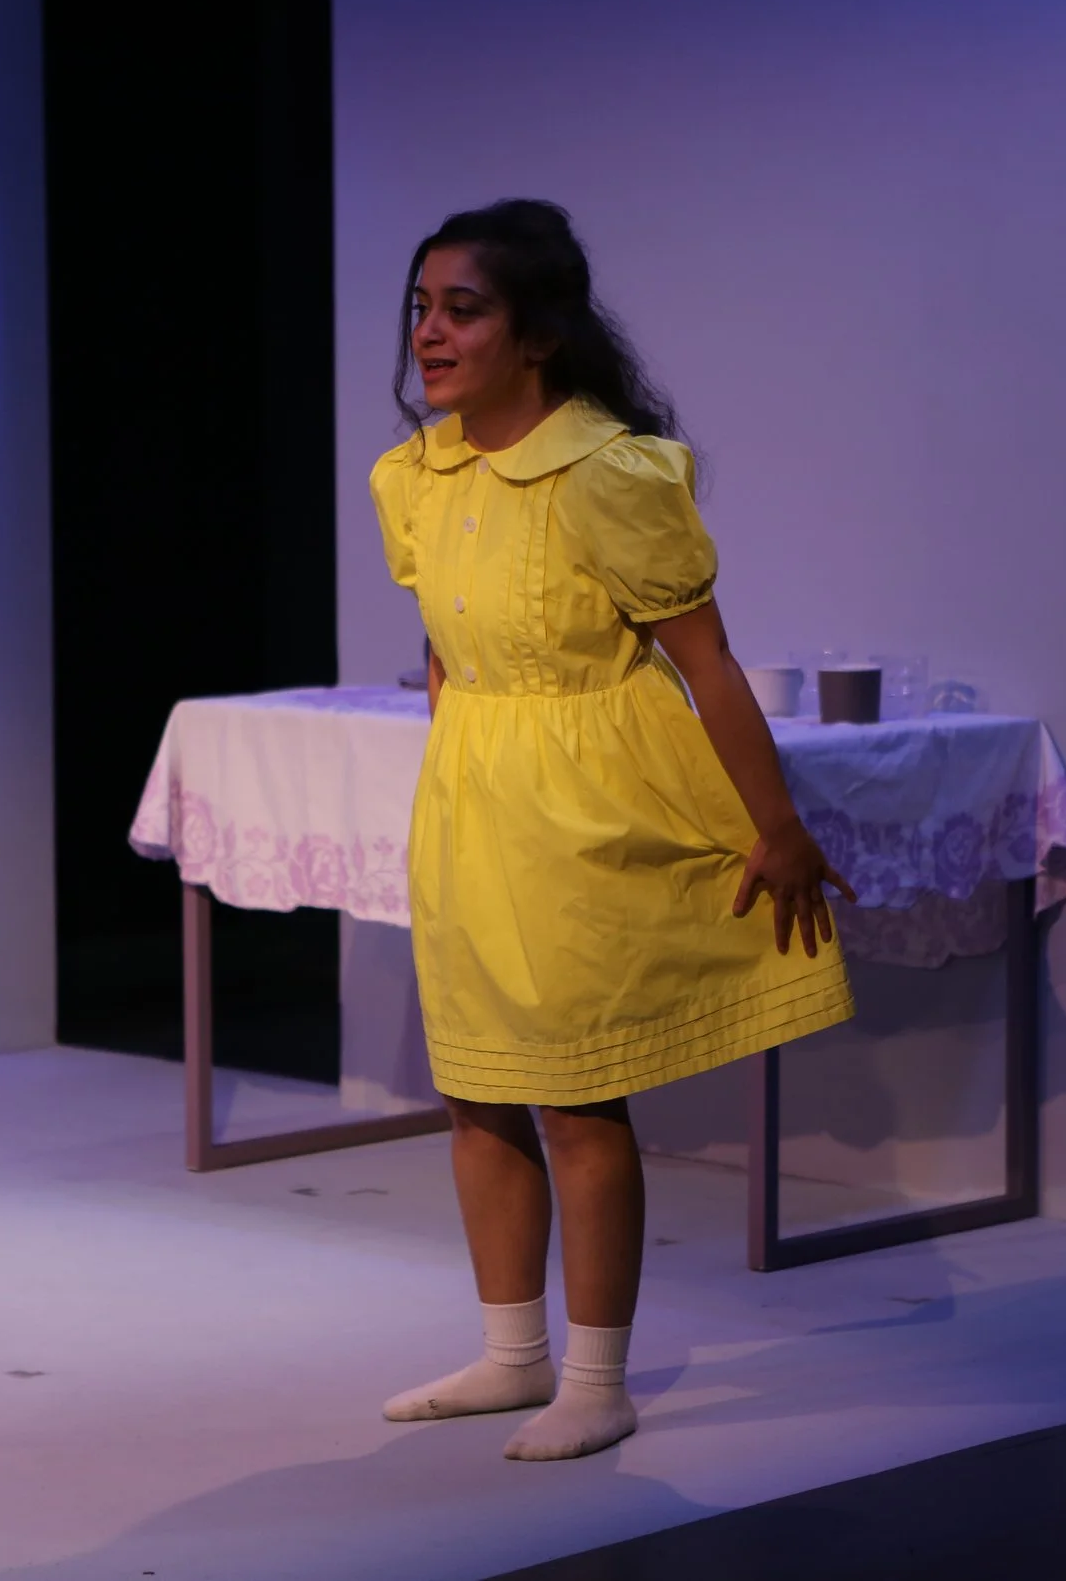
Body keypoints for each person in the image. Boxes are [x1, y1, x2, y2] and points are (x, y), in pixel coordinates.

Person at [370, 200, 857, 1461]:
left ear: (537, 333)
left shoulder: (605, 472)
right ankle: (510, 1352)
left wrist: (777, 825)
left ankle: (596, 1375)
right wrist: (461, 761)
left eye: (461, 309)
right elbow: (444, 645)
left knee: (578, 1094)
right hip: (473, 798)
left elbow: (707, 660)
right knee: (477, 1083)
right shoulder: (416, 475)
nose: (429, 333)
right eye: (421, 307)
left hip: (584, 805)